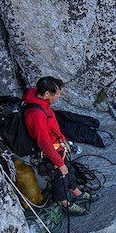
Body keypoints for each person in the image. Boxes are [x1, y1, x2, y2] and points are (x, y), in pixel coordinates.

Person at [23, 76, 94, 215]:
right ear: (47, 94)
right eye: (56, 93)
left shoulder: (39, 99)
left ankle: (77, 193)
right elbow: (43, 142)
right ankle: (64, 204)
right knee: (59, 175)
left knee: (68, 170)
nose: (58, 95)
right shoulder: (36, 114)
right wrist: (58, 162)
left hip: (58, 146)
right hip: (50, 151)